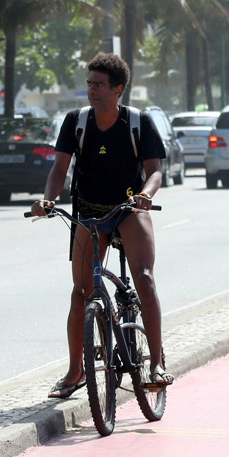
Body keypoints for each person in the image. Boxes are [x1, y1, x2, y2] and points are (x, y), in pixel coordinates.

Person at [30, 52, 174, 398]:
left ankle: (156, 363)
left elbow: (155, 170)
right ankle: (75, 371)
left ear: (118, 89)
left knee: (144, 279)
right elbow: (59, 169)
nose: (92, 90)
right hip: (89, 211)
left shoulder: (138, 122)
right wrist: (48, 200)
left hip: (129, 208)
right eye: (89, 84)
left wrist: (144, 195)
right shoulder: (76, 121)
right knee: (81, 292)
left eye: (99, 85)